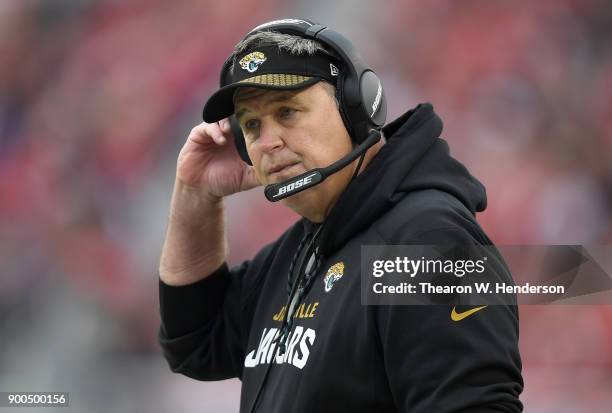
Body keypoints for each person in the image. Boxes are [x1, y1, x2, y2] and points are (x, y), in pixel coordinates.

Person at [157, 19, 523, 413]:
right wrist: (196, 193)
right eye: (251, 124)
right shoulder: (302, 250)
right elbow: (195, 342)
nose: (267, 142)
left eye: (288, 111)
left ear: (356, 108)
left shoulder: (424, 241)